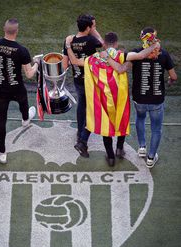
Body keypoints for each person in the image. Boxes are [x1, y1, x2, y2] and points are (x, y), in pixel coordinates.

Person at [66, 32, 160, 166]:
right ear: (116, 43)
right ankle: (120, 149)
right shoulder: (119, 55)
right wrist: (154, 46)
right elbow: (141, 55)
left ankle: (110, 158)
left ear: (104, 43)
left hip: (103, 100)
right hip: (119, 98)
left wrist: (68, 46)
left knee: (106, 128)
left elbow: (74, 61)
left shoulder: (93, 58)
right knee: (121, 123)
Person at [106, 27, 177, 168]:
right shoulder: (164, 54)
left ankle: (142, 147)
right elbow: (173, 76)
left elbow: (121, 69)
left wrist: (108, 59)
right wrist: (169, 81)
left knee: (140, 119)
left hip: (139, 99)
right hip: (157, 100)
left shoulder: (136, 53)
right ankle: (151, 158)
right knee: (156, 129)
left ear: (142, 37)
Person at [0, 18, 39, 164]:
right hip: (16, 88)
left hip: (0, 88)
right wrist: (36, 63)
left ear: (4, 28)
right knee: (24, 102)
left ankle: (2, 153)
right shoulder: (22, 50)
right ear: (17, 31)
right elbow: (29, 74)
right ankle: (25, 120)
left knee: (1, 120)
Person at [62, 14, 103, 146]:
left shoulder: (69, 41)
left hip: (78, 79)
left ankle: (80, 132)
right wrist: (94, 30)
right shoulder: (91, 40)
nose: (95, 28)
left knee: (82, 104)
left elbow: (64, 64)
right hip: (92, 79)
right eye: (93, 26)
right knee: (92, 107)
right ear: (88, 27)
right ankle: (85, 134)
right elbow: (101, 42)